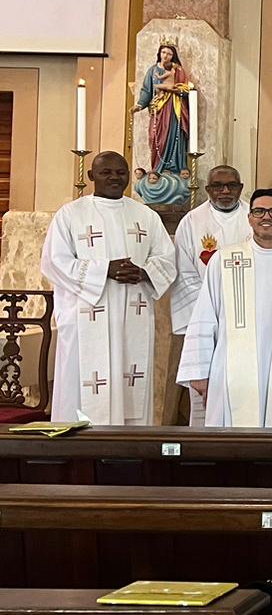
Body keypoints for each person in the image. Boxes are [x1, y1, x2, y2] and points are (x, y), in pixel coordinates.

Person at [42, 151, 177, 426]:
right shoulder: (71, 214)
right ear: (91, 176)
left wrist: (143, 272)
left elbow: (167, 258)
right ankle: (77, 454)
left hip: (133, 317)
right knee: (81, 386)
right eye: (106, 172)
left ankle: (129, 449)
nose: (115, 177)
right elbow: (54, 262)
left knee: (131, 380)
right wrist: (105, 270)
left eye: (121, 172)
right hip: (86, 317)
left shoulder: (145, 215)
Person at [178, 188, 272, 428]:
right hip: (229, 369)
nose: (266, 217)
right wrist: (200, 371)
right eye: (259, 211)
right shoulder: (224, 259)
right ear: (250, 218)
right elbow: (205, 316)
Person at [171, 165, 250, 352]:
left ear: (241, 188)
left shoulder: (254, 218)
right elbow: (184, 271)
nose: (225, 191)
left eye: (232, 185)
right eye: (217, 186)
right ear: (208, 190)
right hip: (205, 310)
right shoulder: (191, 222)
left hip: (248, 309)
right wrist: (209, 305)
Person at [133, 41, 192, 176]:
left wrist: (176, 90)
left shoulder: (178, 70)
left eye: (169, 53)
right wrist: (140, 104)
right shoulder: (153, 70)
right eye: (164, 52)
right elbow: (147, 90)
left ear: (173, 56)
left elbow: (186, 88)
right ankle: (158, 167)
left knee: (174, 135)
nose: (166, 56)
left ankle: (175, 168)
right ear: (159, 53)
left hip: (174, 108)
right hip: (158, 109)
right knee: (157, 137)